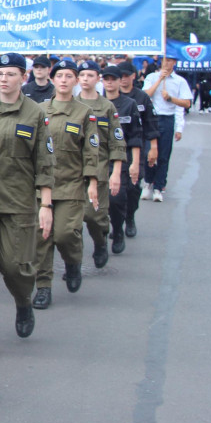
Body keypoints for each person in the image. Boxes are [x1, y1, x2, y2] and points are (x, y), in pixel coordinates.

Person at [0, 53, 54, 361]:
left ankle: (23, 300)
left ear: (23, 78)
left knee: (16, 266)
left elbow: (44, 161)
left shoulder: (35, 113)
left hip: (18, 202)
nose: (3, 79)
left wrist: (46, 204)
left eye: (10, 74)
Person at [33, 60, 99, 309]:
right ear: (52, 79)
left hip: (70, 183)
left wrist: (92, 181)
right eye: (59, 75)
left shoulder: (83, 113)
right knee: (42, 237)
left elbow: (91, 150)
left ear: (75, 81)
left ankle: (73, 263)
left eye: (68, 76)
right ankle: (43, 287)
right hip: (41, 185)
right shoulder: (39, 110)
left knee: (64, 234)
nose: (63, 80)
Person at [76, 61, 126, 268]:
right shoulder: (70, 105)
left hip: (99, 169)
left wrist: (116, 173)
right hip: (72, 170)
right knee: (71, 222)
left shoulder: (107, 107)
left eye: (90, 75)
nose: (86, 79)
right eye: (82, 75)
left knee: (95, 217)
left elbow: (116, 141)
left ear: (98, 78)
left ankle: (100, 241)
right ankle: (73, 263)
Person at [101, 66, 142, 255]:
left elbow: (135, 135)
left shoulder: (129, 104)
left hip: (121, 158)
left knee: (116, 200)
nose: (109, 82)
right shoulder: (94, 103)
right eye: (106, 78)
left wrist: (135, 162)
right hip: (97, 159)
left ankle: (118, 230)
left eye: (113, 79)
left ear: (119, 81)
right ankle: (100, 241)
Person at [140, 55, 191, 201]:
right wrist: (159, 80)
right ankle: (148, 182)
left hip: (167, 119)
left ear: (174, 63)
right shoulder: (151, 77)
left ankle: (159, 186)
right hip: (151, 118)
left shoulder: (180, 81)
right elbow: (144, 95)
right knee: (148, 153)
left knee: (163, 155)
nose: (166, 63)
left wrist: (171, 99)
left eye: (169, 60)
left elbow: (187, 103)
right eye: (164, 60)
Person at [118, 61, 158, 237]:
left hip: (136, 148)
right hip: (113, 149)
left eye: (127, 76)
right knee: (115, 192)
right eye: (121, 76)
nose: (123, 80)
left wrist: (153, 147)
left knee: (133, 188)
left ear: (133, 76)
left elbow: (151, 124)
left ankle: (130, 216)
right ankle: (116, 222)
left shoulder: (142, 97)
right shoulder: (108, 97)